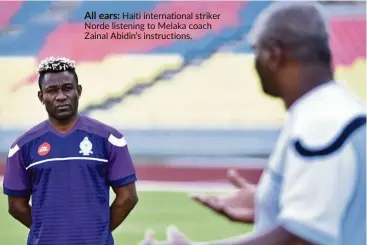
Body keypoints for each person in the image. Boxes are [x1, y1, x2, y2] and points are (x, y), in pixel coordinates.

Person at [140, 2, 366, 245]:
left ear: (274, 55)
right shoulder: (337, 111)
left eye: (255, 51)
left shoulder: (322, 123)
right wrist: (270, 203)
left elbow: (301, 239)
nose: (254, 62)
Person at [3, 57, 139, 245]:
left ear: (79, 91)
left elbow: (128, 197)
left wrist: (97, 231)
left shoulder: (109, 138)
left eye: (67, 88)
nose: (60, 96)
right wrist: (49, 231)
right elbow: (16, 206)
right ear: (41, 97)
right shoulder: (22, 146)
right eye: (51, 90)